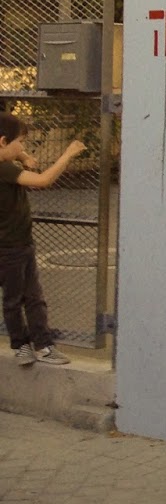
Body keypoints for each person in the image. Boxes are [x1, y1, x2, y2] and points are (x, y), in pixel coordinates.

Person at [0, 112, 85, 366]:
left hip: (21, 245)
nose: (23, 148)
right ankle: (22, 345)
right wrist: (68, 154)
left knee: (34, 297)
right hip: (9, 249)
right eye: (21, 142)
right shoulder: (4, 169)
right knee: (15, 300)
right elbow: (43, 180)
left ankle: (44, 345)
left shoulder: (8, 162)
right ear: (3, 141)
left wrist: (23, 156)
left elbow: (15, 154)